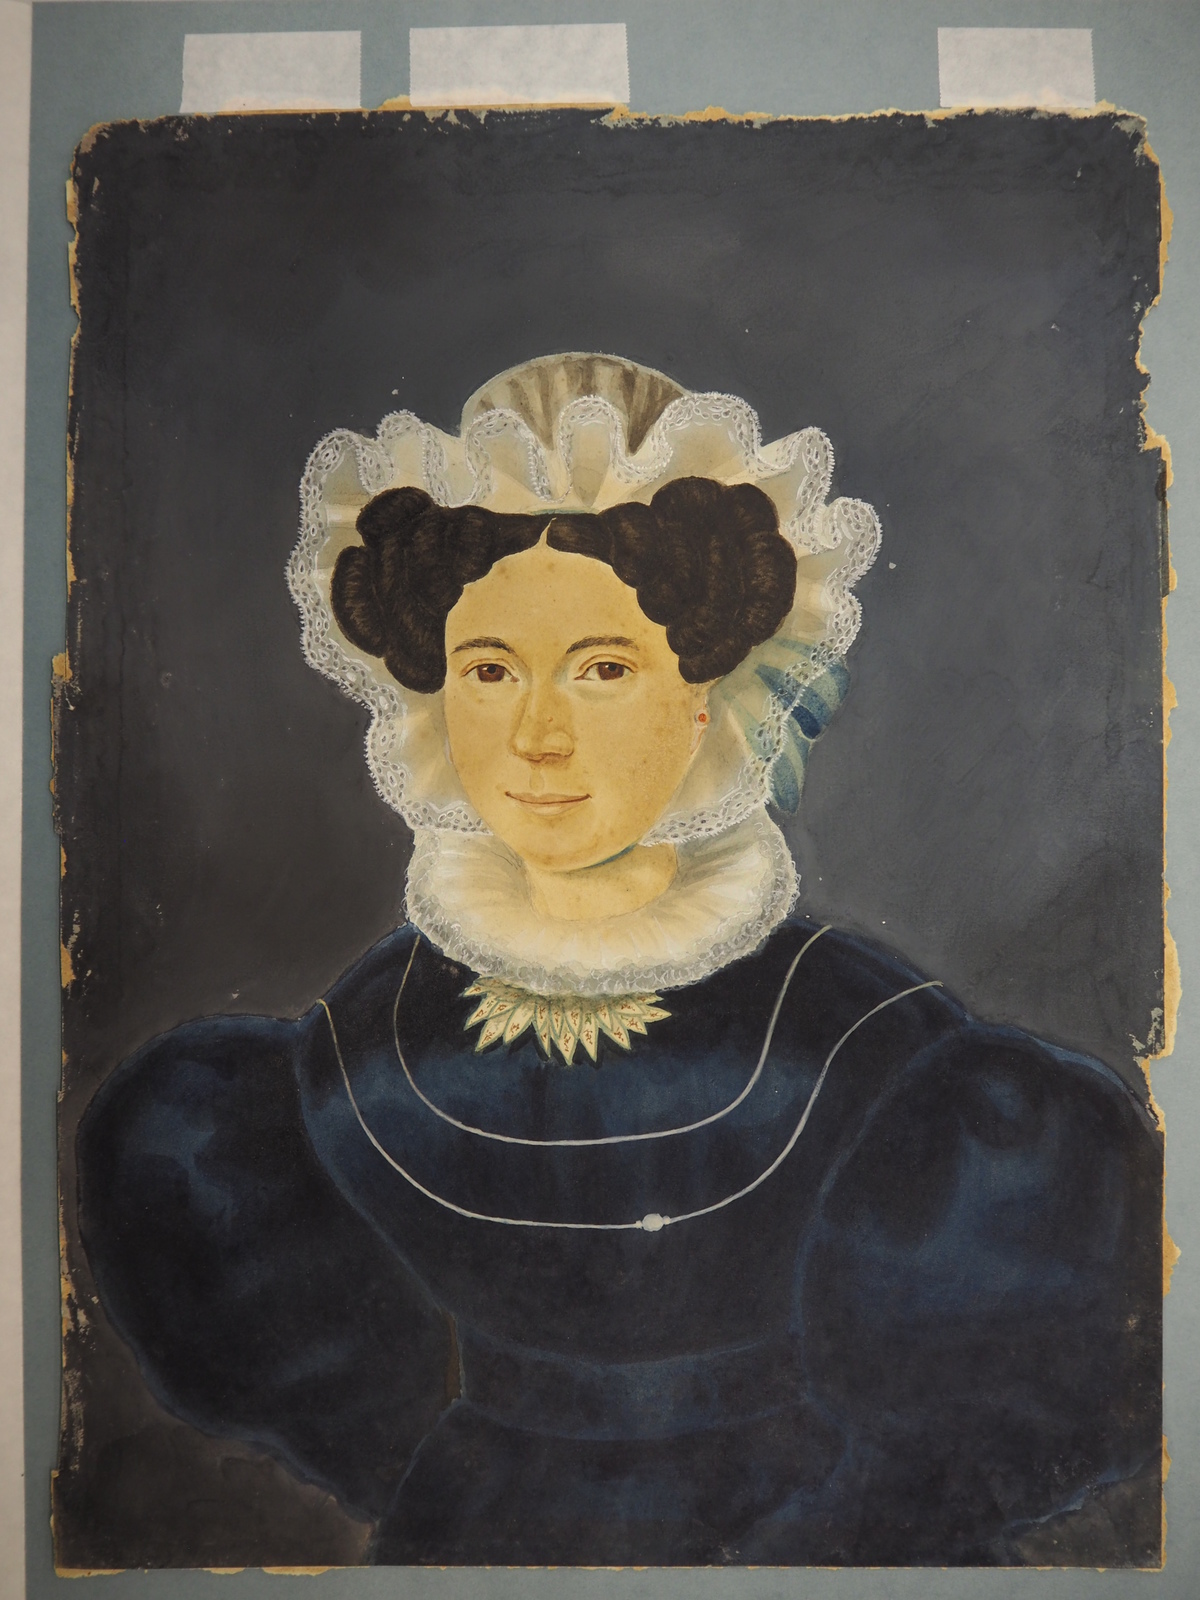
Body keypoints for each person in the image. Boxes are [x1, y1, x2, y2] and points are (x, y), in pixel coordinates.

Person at [77, 355, 1161, 1567]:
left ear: (706, 699)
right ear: (432, 698)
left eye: (602, 669)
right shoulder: (354, 1039)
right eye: (490, 670)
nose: (537, 735)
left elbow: (979, 1429)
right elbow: (348, 1400)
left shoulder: (861, 1036)